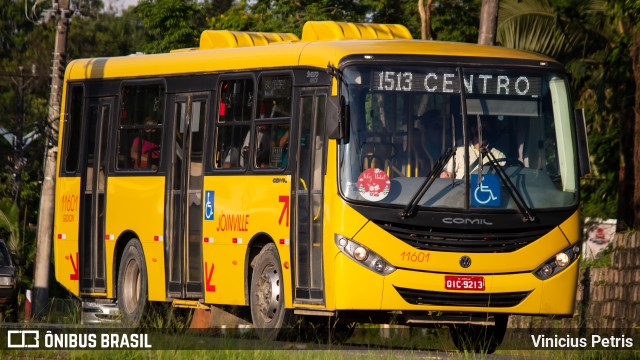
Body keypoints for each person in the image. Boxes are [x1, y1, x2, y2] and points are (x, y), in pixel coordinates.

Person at [440, 116, 505, 179]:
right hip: (462, 190)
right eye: (481, 127)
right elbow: (446, 174)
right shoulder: (459, 152)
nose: (484, 130)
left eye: (486, 127)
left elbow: (504, 181)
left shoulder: (498, 156)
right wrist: (445, 174)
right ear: (473, 129)